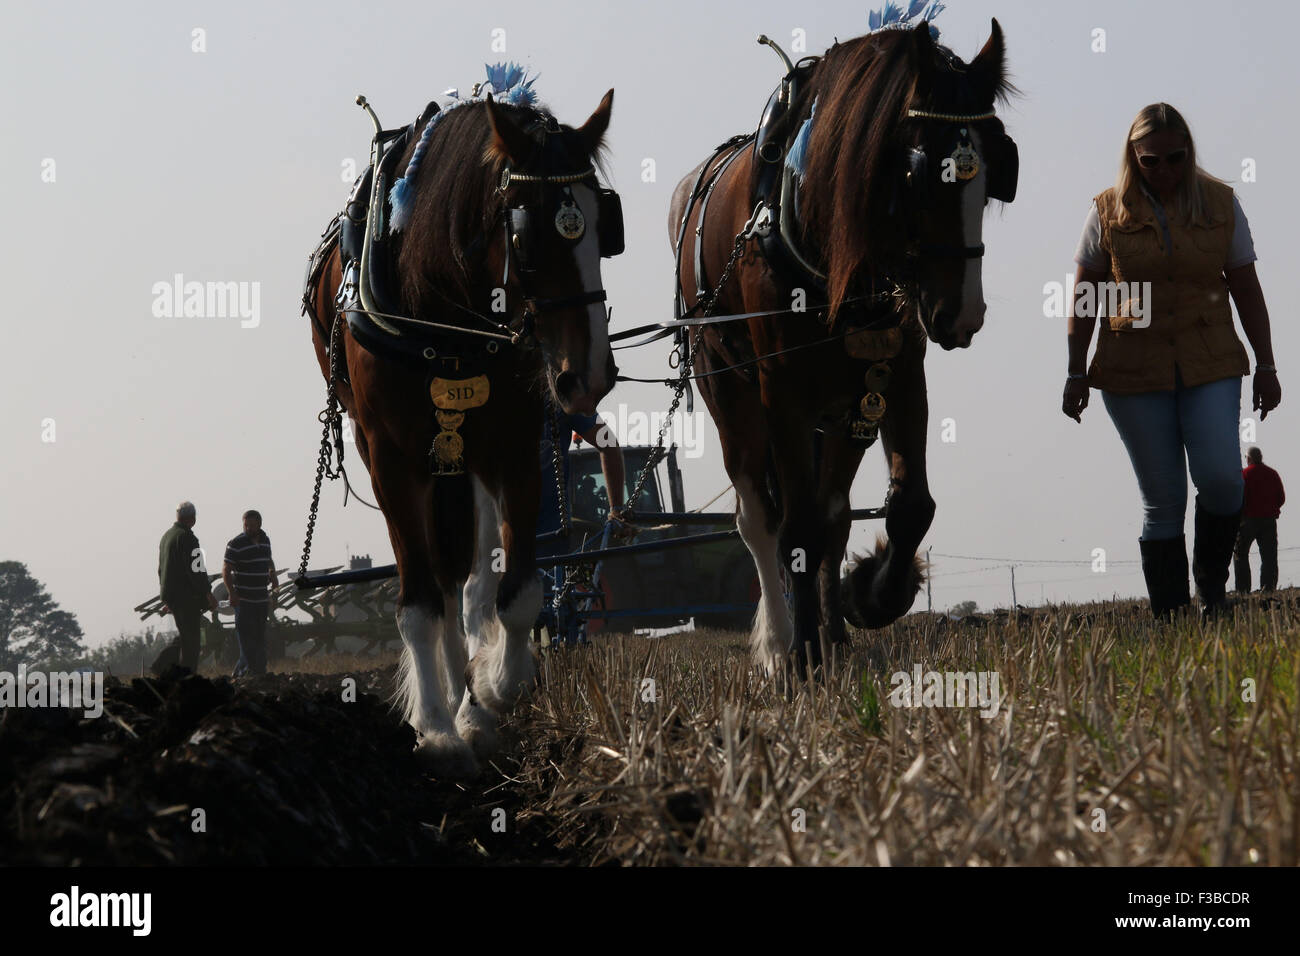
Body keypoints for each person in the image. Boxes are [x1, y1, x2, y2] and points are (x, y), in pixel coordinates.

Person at [1063, 103, 1281, 621]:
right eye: (1150, 161)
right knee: (1163, 498)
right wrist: (1075, 371)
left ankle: (1211, 590)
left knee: (1223, 479)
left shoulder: (1222, 204)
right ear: (1133, 158)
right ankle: (1171, 616)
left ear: (1189, 151)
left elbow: (1246, 288)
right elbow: (1085, 295)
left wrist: (1267, 364)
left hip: (1210, 360)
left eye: (1174, 158)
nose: (1163, 170)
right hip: (1132, 370)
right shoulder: (1106, 211)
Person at [154, 500, 218, 675]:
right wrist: (207, 593)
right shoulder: (188, 538)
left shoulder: (166, 537)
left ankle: (165, 669)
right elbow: (197, 569)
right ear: (193, 518)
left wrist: (168, 597)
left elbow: (161, 569)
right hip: (186, 597)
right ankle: (187, 675)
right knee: (191, 640)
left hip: (171, 595)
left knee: (184, 635)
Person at [222, 510, 278, 677]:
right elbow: (226, 570)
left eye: (252, 525)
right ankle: (245, 674)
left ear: (259, 524)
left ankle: (258, 672)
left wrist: (273, 575)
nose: (248, 528)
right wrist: (232, 593)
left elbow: (269, 560)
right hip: (244, 600)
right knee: (247, 642)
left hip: (261, 599)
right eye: (246, 525)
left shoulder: (265, 541)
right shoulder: (236, 543)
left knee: (260, 638)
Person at [1235, 446, 1285, 593]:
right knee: (1269, 557)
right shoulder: (1272, 474)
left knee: (1240, 554)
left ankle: (1243, 590)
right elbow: (1281, 498)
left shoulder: (1244, 474)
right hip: (1269, 521)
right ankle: (1268, 588)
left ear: (1249, 459)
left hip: (1247, 521)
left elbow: (1238, 499)